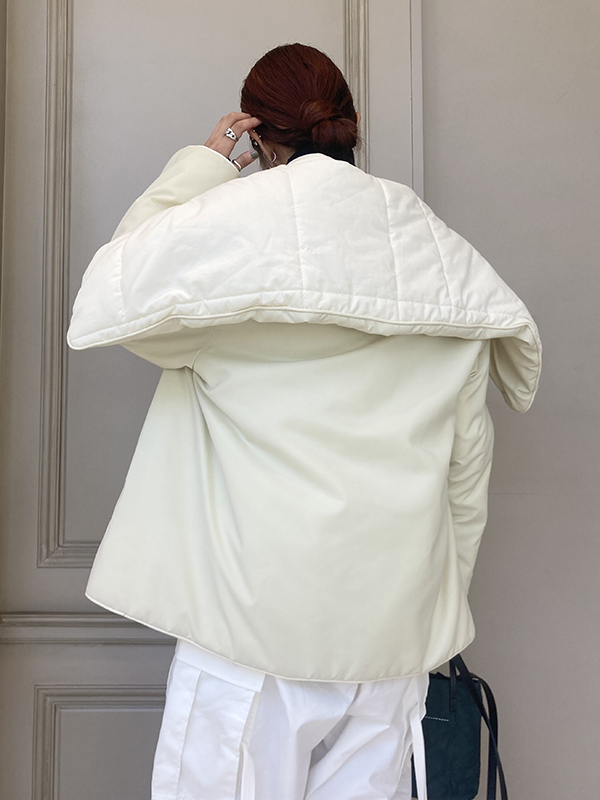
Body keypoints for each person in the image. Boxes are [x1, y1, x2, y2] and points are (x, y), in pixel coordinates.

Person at [67, 43, 541, 800]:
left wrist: (204, 167)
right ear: (350, 126)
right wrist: (429, 613)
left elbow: (117, 290)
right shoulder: (441, 258)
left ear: (258, 136)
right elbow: (465, 473)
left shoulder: (226, 255)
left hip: (247, 636)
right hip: (391, 639)